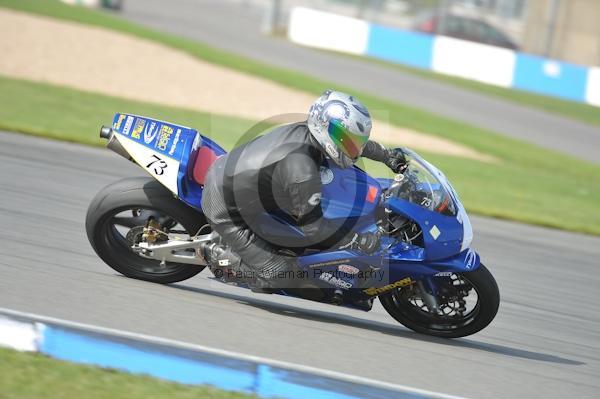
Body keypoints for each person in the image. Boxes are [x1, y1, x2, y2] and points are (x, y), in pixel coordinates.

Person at [200, 90, 407, 292]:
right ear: (324, 127)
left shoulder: (310, 133)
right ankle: (219, 257)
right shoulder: (302, 171)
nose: (353, 147)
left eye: (354, 140)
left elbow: (352, 143)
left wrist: (386, 155)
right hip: (225, 207)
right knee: (279, 274)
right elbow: (314, 230)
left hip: (238, 177)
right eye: (347, 140)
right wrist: (356, 240)